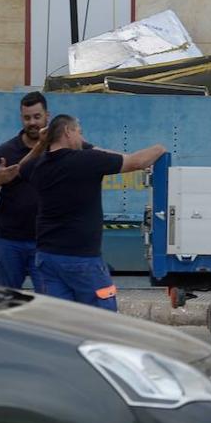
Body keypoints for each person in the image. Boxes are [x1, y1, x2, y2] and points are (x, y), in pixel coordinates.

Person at [32, 115, 165, 311]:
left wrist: (80, 143)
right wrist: (160, 148)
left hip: (48, 257)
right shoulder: (85, 161)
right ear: (68, 132)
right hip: (82, 260)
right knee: (103, 320)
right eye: (79, 132)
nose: (81, 137)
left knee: (59, 321)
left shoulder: (40, 166)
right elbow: (136, 162)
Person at [0, 91, 51, 291]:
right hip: (8, 241)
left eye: (37, 116)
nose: (32, 122)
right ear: (21, 118)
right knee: (5, 303)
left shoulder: (56, 150)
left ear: (47, 116)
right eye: (27, 118)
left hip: (45, 243)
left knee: (50, 306)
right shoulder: (6, 151)